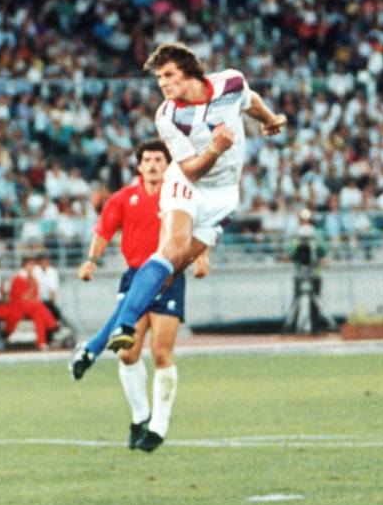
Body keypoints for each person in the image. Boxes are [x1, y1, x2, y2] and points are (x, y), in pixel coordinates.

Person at [100, 43, 285, 452]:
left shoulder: (230, 83)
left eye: (168, 76)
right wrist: (216, 148)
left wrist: (270, 121)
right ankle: (125, 323)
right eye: (159, 78)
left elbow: (250, 100)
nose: (162, 84)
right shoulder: (168, 116)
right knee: (173, 247)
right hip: (189, 184)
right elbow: (189, 169)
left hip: (223, 197)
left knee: (178, 263)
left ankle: (156, 421)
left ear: (190, 73)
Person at [70, 139, 209, 451]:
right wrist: (91, 261)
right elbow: (103, 231)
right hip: (135, 276)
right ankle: (139, 416)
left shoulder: (179, 197)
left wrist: (202, 258)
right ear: (139, 165)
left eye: (159, 159)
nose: (153, 165)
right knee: (127, 353)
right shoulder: (123, 198)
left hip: (169, 275)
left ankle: (158, 428)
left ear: (168, 164)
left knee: (161, 352)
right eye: (147, 160)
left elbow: (199, 228)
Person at [0, 257, 59, 350]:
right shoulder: (18, 278)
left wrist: (29, 297)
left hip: (30, 306)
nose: (32, 268)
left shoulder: (33, 279)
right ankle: (52, 324)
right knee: (39, 305)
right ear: (25, 266)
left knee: (39, 316)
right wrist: (29, 297)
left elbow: (34, 294)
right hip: (18, 306)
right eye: (30, 265)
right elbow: (17, 297)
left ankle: (41, 342)